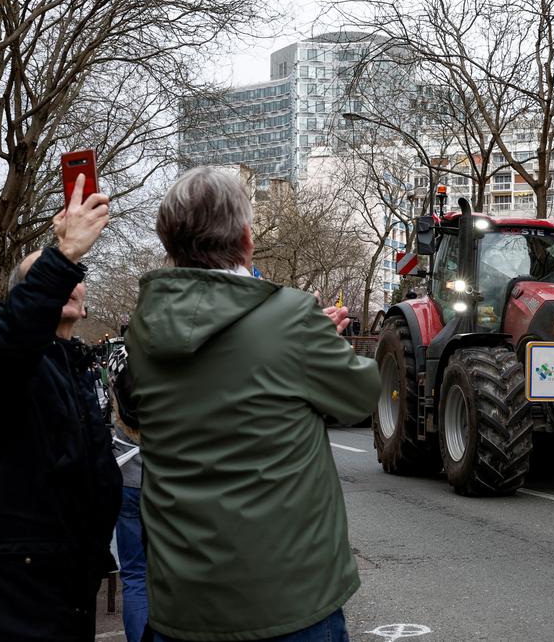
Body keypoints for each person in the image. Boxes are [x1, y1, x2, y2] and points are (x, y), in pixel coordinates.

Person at [126, 167, 381, 642]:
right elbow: (360, 396)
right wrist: (316, 340)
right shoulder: (291, 316)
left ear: (170, 243)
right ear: (246, 237)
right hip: (289, 601)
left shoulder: (144, 328)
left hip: (182, 604)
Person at [0, 176, 122, 641]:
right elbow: (12, 341)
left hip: (68, 584)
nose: (70, 281)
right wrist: (65, 253)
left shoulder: (78, 365)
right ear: (24, 299)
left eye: (75, 277)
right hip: (12, 597)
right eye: (51, 275)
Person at [106, 346, 148, 642]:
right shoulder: (162, 358)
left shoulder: (118, 358)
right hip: (165, 477)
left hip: (128, 474)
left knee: (134, 576)